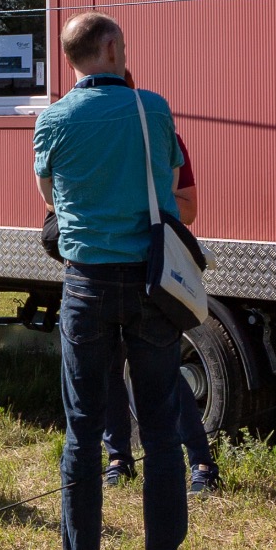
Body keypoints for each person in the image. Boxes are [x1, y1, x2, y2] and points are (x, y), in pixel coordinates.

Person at [29, 13, 204, 550]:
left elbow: (50, 198)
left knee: (82, 429)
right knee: (160, 430)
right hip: (152, 283)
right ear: (108, 48)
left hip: (86, 285)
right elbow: (172, 181)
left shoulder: (52, 119)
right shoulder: (151, 107)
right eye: (122, 44)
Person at [97, 98, 218, 497]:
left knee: (162, 367)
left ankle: (201, 462)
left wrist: (140, 206)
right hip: (101, 267)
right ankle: (118, 457)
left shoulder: (163, 137)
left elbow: (189, 207)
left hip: (152, 270)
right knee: (109, 365)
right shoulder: (92, 135)